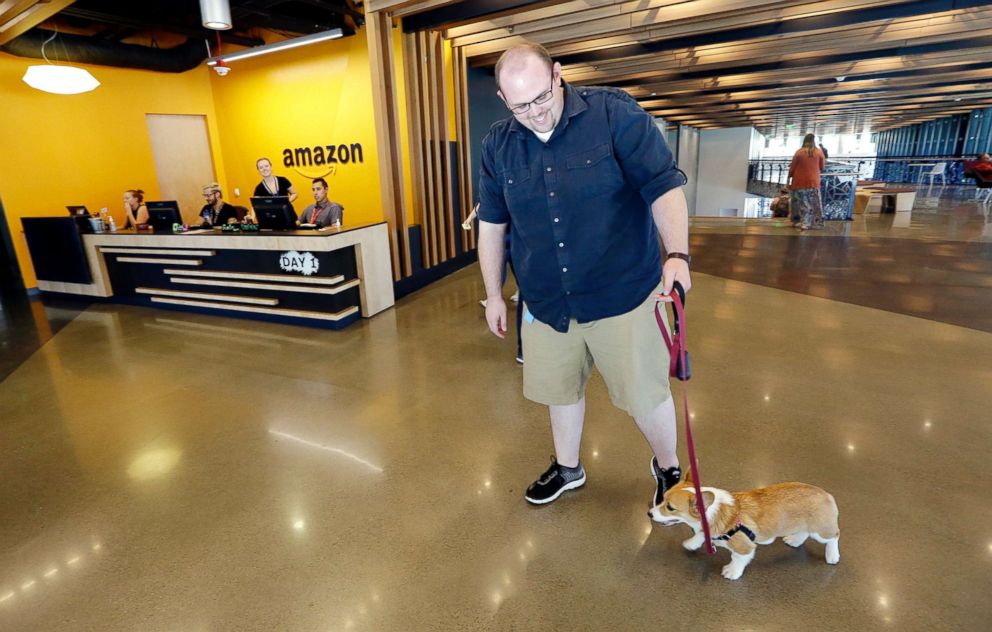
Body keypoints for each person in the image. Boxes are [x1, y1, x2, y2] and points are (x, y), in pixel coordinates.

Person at [477, 43, 691, 506]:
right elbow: (492, 223)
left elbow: (663, 186)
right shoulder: (498, 144)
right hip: (547, 298)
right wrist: (494, 294)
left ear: (557, 75)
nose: (533, 113)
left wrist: (677, 254)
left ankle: (670, 469)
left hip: (624, 293)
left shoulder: (613, 115)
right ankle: (568, 468)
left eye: (540, 98)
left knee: (645, 393)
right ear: (502, 100)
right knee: (560, 388)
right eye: (520, 106)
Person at [464, 204, 523, 364]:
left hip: (518, 239)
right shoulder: (499, 185)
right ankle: (522, 349)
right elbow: (485, 203)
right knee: (500, 271)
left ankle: (523, 348)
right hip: (504, 239)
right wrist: (494, 296)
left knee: (524, 284)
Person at [788, 133, 826, 230]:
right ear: (814, 141)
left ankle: (796, 221)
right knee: (812, 203)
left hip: (799, 181)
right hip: (813, 182)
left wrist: (789, 176)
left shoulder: (799, 152)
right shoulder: (819, 152)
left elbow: (792, 168)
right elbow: (822, 167)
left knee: (797, 202)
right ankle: (808, 222)